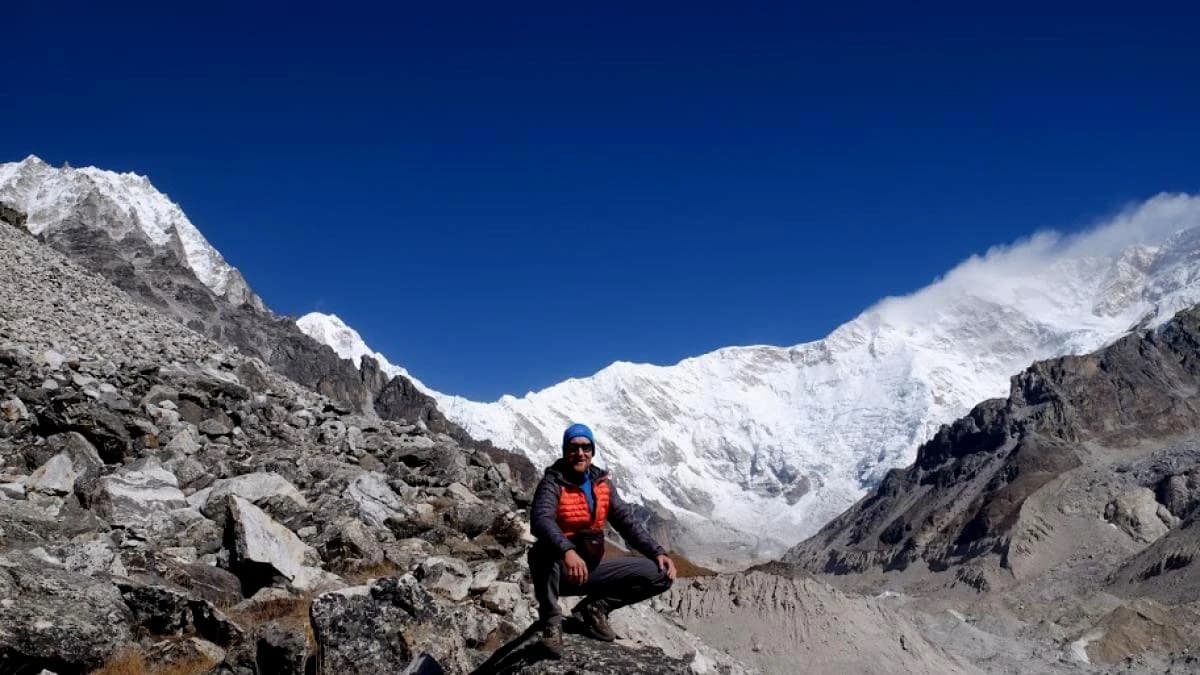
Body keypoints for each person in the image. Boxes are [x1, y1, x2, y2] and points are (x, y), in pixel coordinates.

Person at [528, 422, 677, 658]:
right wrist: (567, 551)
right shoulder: (552, 483)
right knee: (541, 552)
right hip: (560, 572)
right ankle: (551, 623)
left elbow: (627, 523)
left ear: (593, 451)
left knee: (660, 574)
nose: (580, 453)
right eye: (573, 447)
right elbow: (540, 520)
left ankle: (594, 609)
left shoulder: (602, 484)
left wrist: (657, 551)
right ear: (565, 451)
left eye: (586, 447)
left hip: (592, 569)